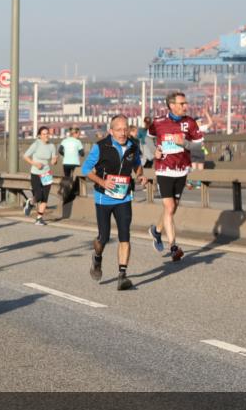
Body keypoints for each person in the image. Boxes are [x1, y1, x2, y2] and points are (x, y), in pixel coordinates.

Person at [81, 115, 146, 291]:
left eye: (125, 128)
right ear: (111, 131)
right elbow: (85, 169)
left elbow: (138, 165)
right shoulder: (101, 147)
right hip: (103, 197)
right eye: (119, 129)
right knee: (104, 237)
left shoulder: (133, 145)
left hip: (124, 197)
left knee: (125, 235)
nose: (123, 132)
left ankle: (122, 276)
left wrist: (140, 176)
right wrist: (102, 182)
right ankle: (97, 257)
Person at [148, 91, 204, 262]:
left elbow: (199, 145)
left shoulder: (190, 122)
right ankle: (173, 247)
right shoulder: (158, 122)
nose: (185, 106)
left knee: (171, 209)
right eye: (182, 104)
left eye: (185, 103)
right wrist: (154, 151)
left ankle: (156, 231)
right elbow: (148, 139)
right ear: (171, 105)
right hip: (164, 169)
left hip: (182, 170)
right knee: (170, 207)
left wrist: (184, 143)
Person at [22, 126, 58, 225]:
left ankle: (39, 218)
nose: (46, 135)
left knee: (45, 197)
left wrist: (55, 160)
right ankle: (30, 203)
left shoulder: (52, 146)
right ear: (39, 136)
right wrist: (35, 164)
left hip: (46, 173)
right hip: (36, 173)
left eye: (47, 134)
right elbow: (25, 156)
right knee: (38, 196)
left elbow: (53, 161)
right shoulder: (36, 144)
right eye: (44, 134)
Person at [58, 126, 85, 203]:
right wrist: (78, 153)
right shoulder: (78, 142)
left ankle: (64, 192)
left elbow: (60, 150)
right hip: (75, 163)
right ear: (75, 133)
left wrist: (65, 154)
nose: (79, 135)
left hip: (66, 162)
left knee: (67, 178)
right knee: (76, 178)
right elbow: (82, 153)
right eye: (79, 134)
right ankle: (75, 192)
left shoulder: (64, 141)